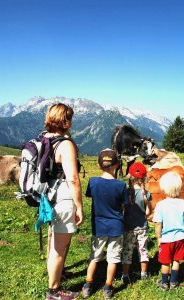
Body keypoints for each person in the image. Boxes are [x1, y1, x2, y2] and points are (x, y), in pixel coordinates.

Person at [45, 103, 84, 300]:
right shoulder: (65, 145)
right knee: (60, 247)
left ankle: (56, 274)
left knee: (53, 239)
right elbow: (73, 179)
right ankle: (53, 291)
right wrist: (79, 206)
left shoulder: (44, 139)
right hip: (62, 197)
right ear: (66, 121)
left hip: (47, 196)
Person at [82, 149, 129, 299]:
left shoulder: (93, 182)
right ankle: (108, 287)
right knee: (113, 258)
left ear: (98, 165)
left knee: (95, 256)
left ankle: (88, 284)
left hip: (99, 226)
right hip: (116, 226)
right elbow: (123, 205)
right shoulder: (121, 185)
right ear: (117, 165)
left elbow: (90, 195)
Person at [153, 171, 184, 291]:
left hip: (166, 239)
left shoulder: (161, 205)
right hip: (180, 237)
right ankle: (173, 282)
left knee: (165, 262)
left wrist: (159, 237)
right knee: (176, 260)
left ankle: (164, 283)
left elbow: (158, 224)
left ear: (163, 188)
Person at [121, 162, 152, 285]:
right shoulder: (147, 193)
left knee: (127, 251)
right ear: (144, 178)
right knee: (143, 250)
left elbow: (123, 209)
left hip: (129, 227)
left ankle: (125, 275)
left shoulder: (127, 193)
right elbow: (148, 212)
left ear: (130, 176)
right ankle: (144, 273)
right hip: (143, 227)